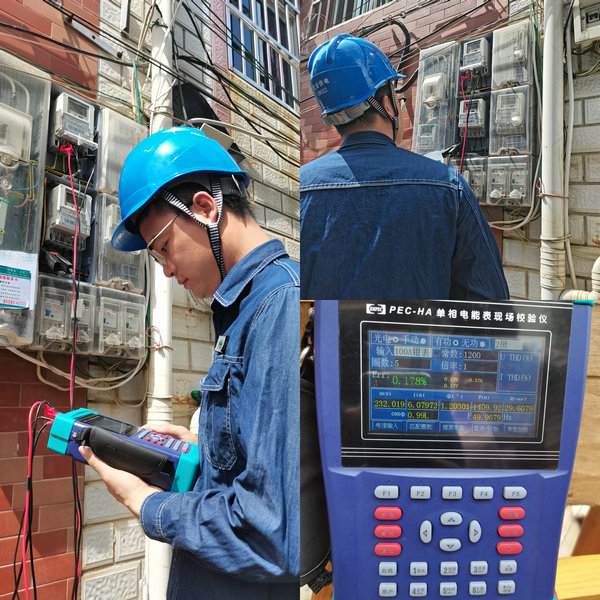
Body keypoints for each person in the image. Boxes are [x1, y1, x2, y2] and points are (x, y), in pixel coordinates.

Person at [79, 127, 299, 599]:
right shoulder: (244, 308)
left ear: (204, 207)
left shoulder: (279, 305)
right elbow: (260, 463)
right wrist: (206, 449)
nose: (166, 270)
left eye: (162, 248)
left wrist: (146, 503)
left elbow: (270, 529)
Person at [300, 33, 509, 301]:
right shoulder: (449, 187)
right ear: (387, 105)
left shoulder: (302, 186)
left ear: (334, 118)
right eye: (399, 101)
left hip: (324, 331)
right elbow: (488, 305)